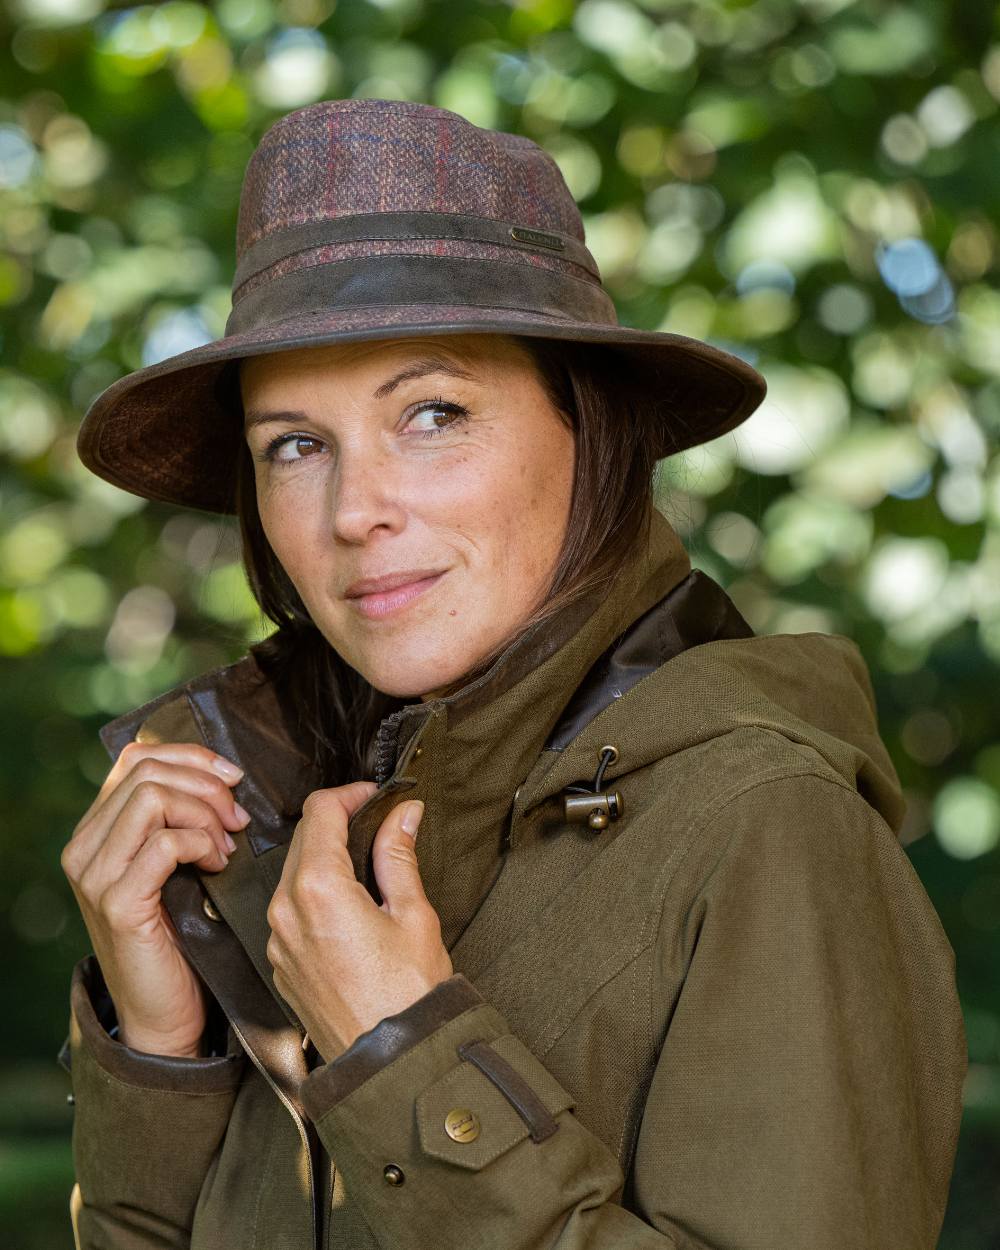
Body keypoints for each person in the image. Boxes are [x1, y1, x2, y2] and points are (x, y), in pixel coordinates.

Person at [57, 97, 966, 1250]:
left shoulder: (765, 825)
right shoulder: (294, 836)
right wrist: (158, 1048)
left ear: (591, 427)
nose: (353, 511)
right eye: (295, 444)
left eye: (432, 413)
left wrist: (400, 1056)